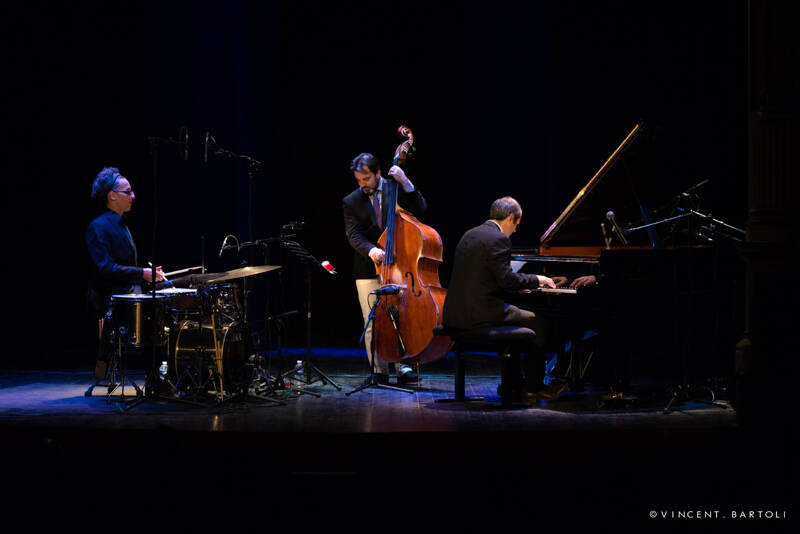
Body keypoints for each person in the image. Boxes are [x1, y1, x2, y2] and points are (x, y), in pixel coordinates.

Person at [442, 196, 568, 402]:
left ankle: (513, 385)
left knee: (520, 323)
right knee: (539, 323)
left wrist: (518, 286)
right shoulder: (499, 239)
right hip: (479, 314)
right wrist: (539, 279)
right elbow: (507, 280)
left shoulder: (470, 234)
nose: (516, 230)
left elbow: (483, 277)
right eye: (517, 224)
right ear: (510, 218)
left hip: (455, 312)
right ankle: (532, 388)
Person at [343, 152, 425, 385]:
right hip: (368, 267)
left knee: (401, 317)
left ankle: (403, 366)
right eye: (358, 180)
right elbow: (353, 234)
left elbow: (421, 207)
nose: (362, 184)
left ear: (378, 173)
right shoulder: (351, 201)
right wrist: (372, 250)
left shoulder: (394, 187)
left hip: (401, 264)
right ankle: (378, 370)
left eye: (366, 179)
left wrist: (406, 181)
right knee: (372, 321)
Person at [86, 167, 164, 379]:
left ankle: (158, 374)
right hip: (110, 296)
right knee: (154, 309)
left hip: (129, 290)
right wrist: (142, 274)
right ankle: (153, 374)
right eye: (127, 192)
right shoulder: (98, 227)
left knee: (168, 291)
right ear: (112, 195)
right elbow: (105, 268)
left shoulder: (122, 225)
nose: (133, 196)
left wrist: (149, 274)